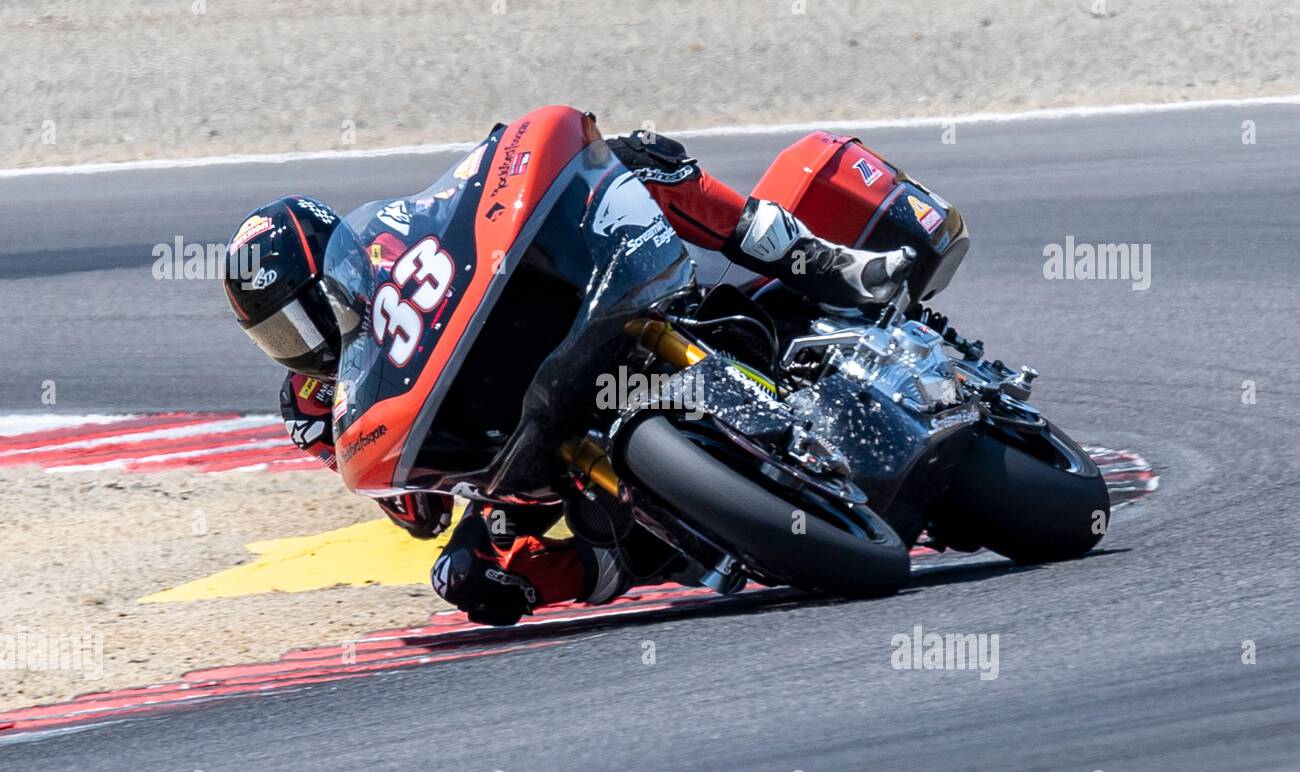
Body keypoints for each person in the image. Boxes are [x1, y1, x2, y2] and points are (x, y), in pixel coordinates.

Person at [222, 126, 915, 626]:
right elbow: (420, 513)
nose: (305, 342)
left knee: (639, 158)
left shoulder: (391, 238)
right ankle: (650, 556)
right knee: (464, 575)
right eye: (280, 335)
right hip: (500, 452)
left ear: (336, 271)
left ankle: (819, 259)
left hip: (529, 343)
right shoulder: (315, 409)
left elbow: (467, 206)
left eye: (308, 314)